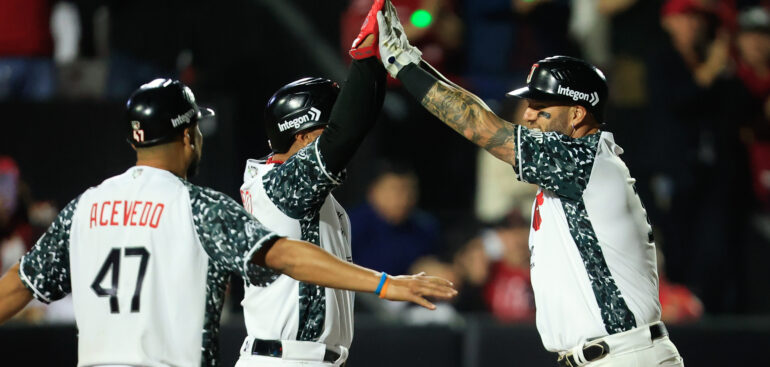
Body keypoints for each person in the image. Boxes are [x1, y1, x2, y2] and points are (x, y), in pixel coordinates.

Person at [0, 77, 457, 366]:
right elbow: (283, 254)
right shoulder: (195, 206)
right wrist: (385, 284)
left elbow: (18, 285)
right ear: (187, 135)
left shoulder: (85, 208)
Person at [371, 1, 684, 365]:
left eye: (541, 105)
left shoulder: (581, 159)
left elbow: (481, 125)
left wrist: (405, 65)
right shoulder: (572, 171)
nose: (528, 114)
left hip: (624, 357)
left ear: (578, 113)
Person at [235, 2, 452, 366]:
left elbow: (352, 127)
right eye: (325, 126)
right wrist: (366, 57)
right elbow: (346, 133)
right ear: (302, 137)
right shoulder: (281, 184)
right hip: (285, 359)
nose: (338, 135)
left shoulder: (288, 187)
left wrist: (379, 64)